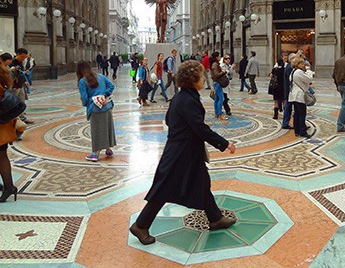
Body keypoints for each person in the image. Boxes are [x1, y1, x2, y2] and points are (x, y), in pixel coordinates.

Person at [129, 60, 237, 245]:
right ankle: (141, 225)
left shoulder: (182, 96)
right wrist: (225, 143)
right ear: (192, 79)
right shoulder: (187, 99)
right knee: (164, 189)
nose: (204, 79)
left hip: (185, 150)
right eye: (201, 76)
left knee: (202, 183)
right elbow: (200, 128)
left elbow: (170, 120)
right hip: (181, 153)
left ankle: (215, 218)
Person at [76, 61, 116, 162]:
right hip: (106, 106)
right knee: (107, 128)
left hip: (95, 108)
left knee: (97, 130)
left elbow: (84, 98)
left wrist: (88, 103)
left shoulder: (82, 81)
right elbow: (111, 86)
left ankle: (95, 153)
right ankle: (108, 150)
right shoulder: (101, 76)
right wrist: (104, 95)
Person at [0, 58, 27, 202]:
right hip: (3, 123)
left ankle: (9, 187)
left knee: (1, 155)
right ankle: (8, 186)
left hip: (1, 124)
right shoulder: (3, 75)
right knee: (1, 154)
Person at [289, 56, 314, 138]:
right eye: (302, 63)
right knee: (302, 114)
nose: (303, 65)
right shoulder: (299, 72)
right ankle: (302, 131)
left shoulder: (293, 71)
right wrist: (309, 71)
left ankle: (297, 131)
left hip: (294, 95)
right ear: (297, 64)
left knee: (296, 114)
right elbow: (309, 79)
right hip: (299, 95)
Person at [10, 48, 33, 127]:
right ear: (17, 54)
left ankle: (22, 117)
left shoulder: (21, 63)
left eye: (25, 57)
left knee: (22, 101)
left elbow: (21, 73)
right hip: (14, 86)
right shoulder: (12, 62)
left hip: (21, 84)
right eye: (22, 57)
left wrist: (25, 80)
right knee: (15, 102)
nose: (23, 59)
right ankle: (15, 119)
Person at [210, 52, 227, 120]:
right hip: (217, 83)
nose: (220, 57)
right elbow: (216, 75)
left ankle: (217, 113)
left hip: (216, 83)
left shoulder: (215, 64)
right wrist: (223, 72)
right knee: (221, 98)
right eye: (219, 56)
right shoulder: (215, 65)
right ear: (216, 57)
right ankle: (219, 114)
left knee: (217, 99)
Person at [282, 53, 295, 130]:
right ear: (291, 59)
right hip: (289, 91)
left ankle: (286, 123)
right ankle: (285, 123)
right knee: (288, 107)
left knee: (288, 107)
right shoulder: (289, 67)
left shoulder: (289, 66)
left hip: (289, 91)